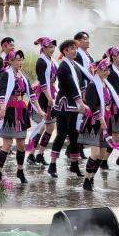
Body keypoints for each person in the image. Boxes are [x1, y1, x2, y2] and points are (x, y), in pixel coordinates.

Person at [0, 50, 42, 183]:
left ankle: (20, 171)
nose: (20, 62)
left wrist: (39, 110)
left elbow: (31, 95)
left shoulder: (23, 77)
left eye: (21, 59)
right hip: (9, 111)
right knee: (7, 144)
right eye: (17, 59)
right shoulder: (5, 74)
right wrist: (2, 108)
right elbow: (2, 93)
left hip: (21, 112)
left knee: (21, 144)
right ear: (10, 61)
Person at [48, 40, 87, 178]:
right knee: (62, 133)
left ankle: (74, 165)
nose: (75, 50)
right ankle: (52, 164)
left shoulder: (75, 65)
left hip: (75, 105)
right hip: (65, 104)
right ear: (65, 51)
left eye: (76, 48)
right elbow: (70, 85)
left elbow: (81, 82)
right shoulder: (64, 66)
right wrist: (80, 101)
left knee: (75, 134)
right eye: (72, 48)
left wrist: (84, 98)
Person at [78, 59, 117, 191]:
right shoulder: (92, 85)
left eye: (109, 69)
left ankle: (92, 177)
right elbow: (92, 104)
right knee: (95, 154)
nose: (108, 71)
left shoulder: (107, 85)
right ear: (98, 70)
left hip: (106, 120)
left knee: (102, 154)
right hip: (95, 122)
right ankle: (86, 180)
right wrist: (101, 119)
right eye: (105, 69)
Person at [29, 37, 58, 165]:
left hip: (51, 92)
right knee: (44, 125)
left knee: (49, 126)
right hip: (44, 95)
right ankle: (32, 153)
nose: (52, 49)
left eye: (53, 47)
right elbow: (43, 82)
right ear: (43, 48)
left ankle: (39, 153)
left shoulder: (51, 60)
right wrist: (49, 98)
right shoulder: (41, 62)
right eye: (49, 47)